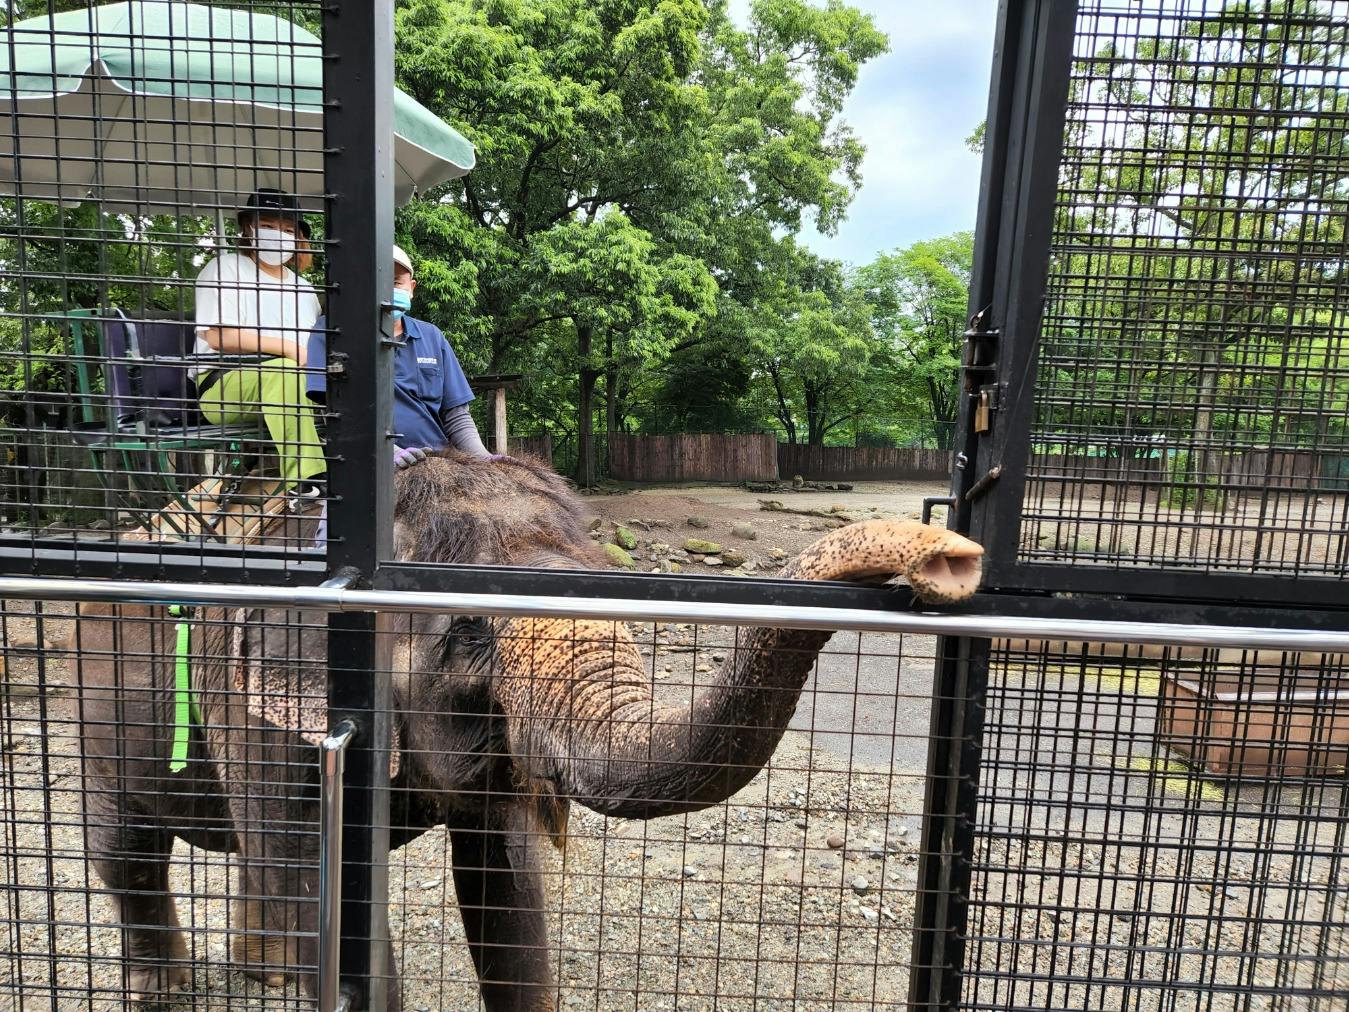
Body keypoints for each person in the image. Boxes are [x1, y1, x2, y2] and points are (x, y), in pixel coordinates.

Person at [193, 189, 326, 496]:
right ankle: (308, 481)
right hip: (224, 385)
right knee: (284, 370)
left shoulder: (304, 289)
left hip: (296, 388)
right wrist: (290, 348)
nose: (278, 236)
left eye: (289, 230)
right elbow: (217, 336)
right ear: (248, 228)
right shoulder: (225, 268)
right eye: (268, 226)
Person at [305, 244, 495, 458]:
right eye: (374, 281)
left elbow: (456, 415)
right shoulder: (331, 332)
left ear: (411, 288)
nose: (385, 290)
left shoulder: (431, 336)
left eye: (395, 282)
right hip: (363, 461)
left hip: (436, 460)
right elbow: (332, 410)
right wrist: (387, 451)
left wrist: (484, 458)